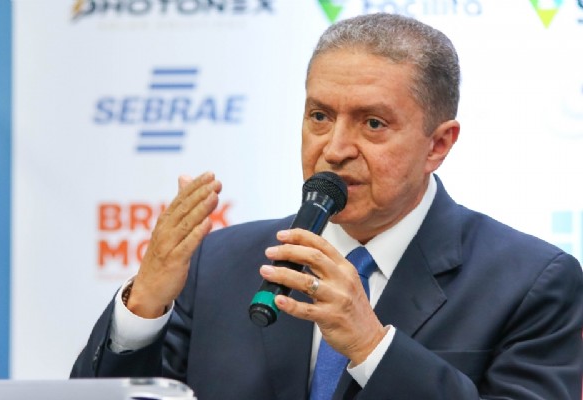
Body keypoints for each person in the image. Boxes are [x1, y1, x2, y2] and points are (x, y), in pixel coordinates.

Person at [71, 13, 583, 399]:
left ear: (438, 144)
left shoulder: (532, 282)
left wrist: (372, 347)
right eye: (319, 116)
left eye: (373, 123)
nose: (335, 148)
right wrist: (143, 308)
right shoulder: (221, 263)